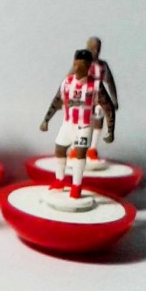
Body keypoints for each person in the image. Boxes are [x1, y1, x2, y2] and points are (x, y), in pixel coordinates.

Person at [40, 49, 115, 199]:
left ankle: (76, 186)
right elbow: (56, 101)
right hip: (68, 124)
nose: (78, 68)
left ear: (88, 66)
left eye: (82, 65)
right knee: (60, 149)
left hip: (84, 126)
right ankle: (59, 181)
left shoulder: (96, 85)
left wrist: (110, 130)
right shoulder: (67, 82)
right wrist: (46, 119)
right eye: (76, 64)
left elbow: (108, 107)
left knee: (80, 154)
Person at [86, 36, 119, 161]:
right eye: (92, 49)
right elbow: (69, 80)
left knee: (98, 119)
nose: (95, 52)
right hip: (84, 97)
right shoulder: (82, 64)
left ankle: (92, 149)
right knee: (82, 122)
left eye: (97, 49)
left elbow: (110, 82)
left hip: (99, 96)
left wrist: (114, 99)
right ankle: (76, 148)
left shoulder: (102, 65)